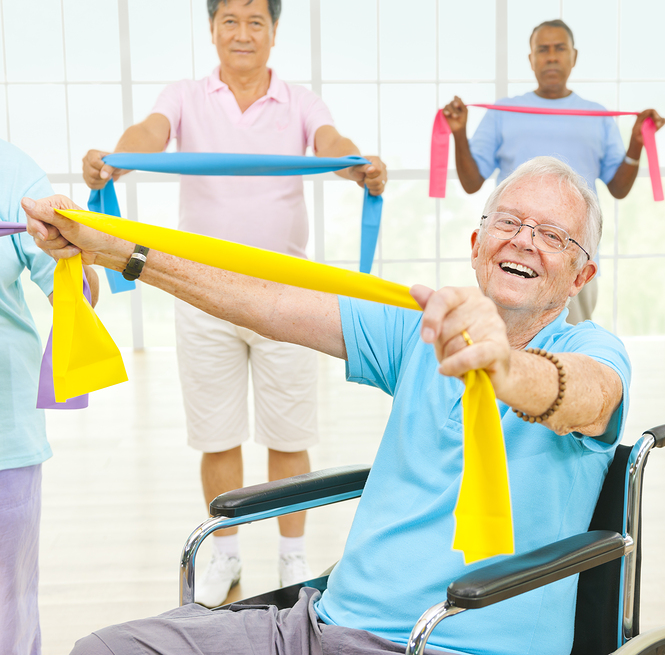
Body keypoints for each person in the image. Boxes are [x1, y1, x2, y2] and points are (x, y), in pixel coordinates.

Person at [26, 156, 630, 655]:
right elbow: (270, 301)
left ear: (581, 276)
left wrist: (502, 364)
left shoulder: (591, 351)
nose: (524, 240)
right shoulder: (422, 330)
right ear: (477, 243)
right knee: (106, 650)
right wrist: (116, 250)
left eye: (553, 235)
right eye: (510, 222)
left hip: (446, 641)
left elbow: (583, 395)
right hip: (318, 626)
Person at [81, 0, 388, 607]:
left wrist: (356, 166)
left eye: (256, 21)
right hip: (202, 296)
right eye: (230, 20)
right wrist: (117, 157)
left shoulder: (300, 102)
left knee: (288, 432)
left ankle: (293, 556)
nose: (242, 33)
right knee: (217, 435)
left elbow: (332, 140)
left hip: (289, 297)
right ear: (213, 29)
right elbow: (150, 133)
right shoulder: (185, 95)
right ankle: (224, 555)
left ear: (274, 32)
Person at [441, 18, 664, 325]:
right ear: (531, 59)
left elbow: (619, 188)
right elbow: (471, 181)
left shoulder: (597, 115)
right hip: (512, 255)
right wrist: (458, 133)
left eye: (559, 48)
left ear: (574, 56)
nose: (551, 56)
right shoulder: (503, 112)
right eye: (542, 50)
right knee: (501, 345)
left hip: (570, 256)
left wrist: (637, 142)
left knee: (569, 352)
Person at [0, 139, 100, 655]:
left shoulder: (12, 172)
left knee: (5, 607)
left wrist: (72, 251)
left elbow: (76, 295)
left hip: (3, 435)